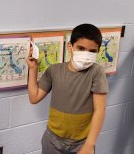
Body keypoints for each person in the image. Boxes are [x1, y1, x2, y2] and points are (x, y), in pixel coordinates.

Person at [27, 24, 108, 154]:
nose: (86, 54)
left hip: (82, 143)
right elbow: (34, 97)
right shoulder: (54, 70)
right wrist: (33, 69)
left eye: (92, 51)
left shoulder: (96, 72)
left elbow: (100, 109)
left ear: (98, 51)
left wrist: (89, 145)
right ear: (70, 46)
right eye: (81, 48)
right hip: (52, 140)